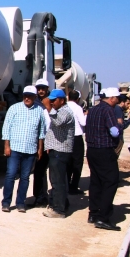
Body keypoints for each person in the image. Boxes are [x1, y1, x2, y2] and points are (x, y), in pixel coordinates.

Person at [0, 85, 46, 213]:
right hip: (14, 148)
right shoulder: (14, 108)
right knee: (10, 174)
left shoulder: (39, 111)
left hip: (30, 150)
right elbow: (6, 128)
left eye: (30, 96)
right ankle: (6, 202)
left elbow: (42, 131)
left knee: (25, 177)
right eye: (25, 95)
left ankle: (20, 203)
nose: (27, 98)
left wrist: (40, 148)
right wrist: (6, 146)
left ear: (35, 97)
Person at [84, 87, 122, 231]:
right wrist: (120, 125)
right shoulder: (108, 110)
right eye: (117, 98)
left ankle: (93, 213)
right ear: (112, 98)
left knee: (96, 182)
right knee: (110, 182)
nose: (118, 101)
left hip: (92, 149)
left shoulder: (93, 110)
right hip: (104, 150)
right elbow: (113, 131)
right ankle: (103, 217)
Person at [43, 89, 75, 218]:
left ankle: (59, 210)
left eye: (53, 100)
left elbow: (58, 122)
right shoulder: (59, 111)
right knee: (57, 179)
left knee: (58, 181)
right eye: (50, 100)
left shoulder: (66, 112)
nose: (51, 103)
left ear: (62, 100)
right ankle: (62, 204)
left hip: (60, 151)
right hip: (56, 149)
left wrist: (47, 107)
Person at [31, 78, 52, 206]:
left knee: (41, 170)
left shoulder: (48, 102)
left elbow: (49, 123)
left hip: (45, 141)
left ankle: (42, 197)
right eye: (39, 88)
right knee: (38, 171)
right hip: (37, 140)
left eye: (43, 88)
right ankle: (39, 196)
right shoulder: (37, 102)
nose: (41, 91)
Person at [66, 90, 86, 194]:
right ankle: (74, 186)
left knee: (68, 162)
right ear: (78, 99)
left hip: (66, 137)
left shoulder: (64, 106)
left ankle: (67, 183)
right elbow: (83, 122)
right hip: (77, 137)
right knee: (77, 163)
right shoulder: (78, 108)